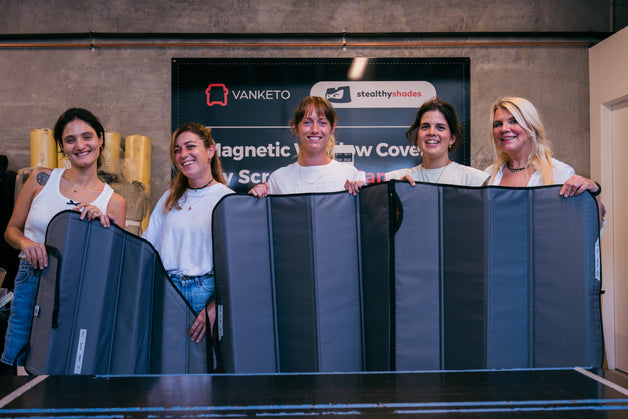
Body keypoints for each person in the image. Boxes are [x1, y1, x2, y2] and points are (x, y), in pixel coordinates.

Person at [2, 108, 127, 367]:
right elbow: (11, 229)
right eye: (70, 140)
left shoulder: (114, 201)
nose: (80, 146)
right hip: (31, 278)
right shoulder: (40, 179)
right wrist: (26, 243)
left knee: (65, 363)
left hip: (80, 287)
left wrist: (102, 229)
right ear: (62, 146)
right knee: (16, 361)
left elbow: (113, 266)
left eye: (87, 137)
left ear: (100, 139)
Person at [142, 123, 233, 344]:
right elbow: (147, 249)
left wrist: (216, 306)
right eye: (177, 150)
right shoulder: (169, 198)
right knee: (167, 361)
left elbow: (238, 265)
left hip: (205, 295)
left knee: (204, 363)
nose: (183, 154)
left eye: (190, 146)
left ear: (210, 151)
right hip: (167, 292)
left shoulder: (227, 199)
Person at [485, 96, 605, 223]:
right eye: (498, 124)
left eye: (514, 121)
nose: (504, 129)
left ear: (532, 126)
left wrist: (594, 192)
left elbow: (587, 229)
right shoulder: (488, 176)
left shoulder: (560, 173)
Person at [249, 96, 366, 198]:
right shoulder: (278, 179)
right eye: (307, 122)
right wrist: (257, 198)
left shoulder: (350, 175)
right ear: (296, 128)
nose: (314, 129)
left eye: (322, 123)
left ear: (332, 129)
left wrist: (363, 195)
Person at [381, 97, 488, 188]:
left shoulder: (473, 180)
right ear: (418, 137)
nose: (431, 132)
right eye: (425, 127)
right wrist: (395, 193)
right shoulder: (394, 180)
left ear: (452, 138)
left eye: (440, 127)